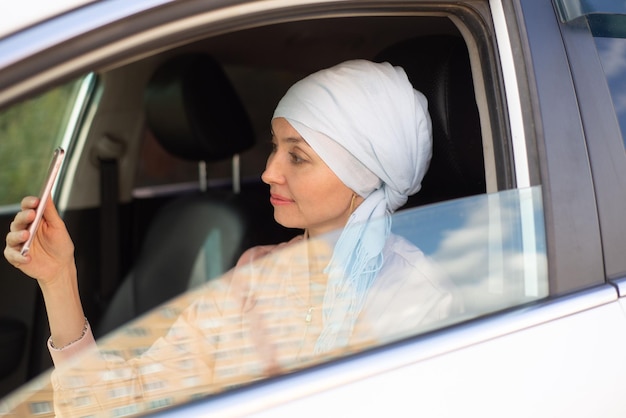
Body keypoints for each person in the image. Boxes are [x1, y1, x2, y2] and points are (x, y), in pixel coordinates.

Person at [4, 59, 459, 414]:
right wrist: (58, 278)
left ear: (362, 176)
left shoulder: (419, 301)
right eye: (274, 147)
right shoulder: (254, 273)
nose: (268, 172)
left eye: (297, 157)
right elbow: (129, 398)